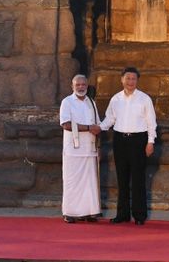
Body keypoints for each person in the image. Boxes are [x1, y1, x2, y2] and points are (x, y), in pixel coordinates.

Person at [99, 66, 157, 225]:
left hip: (139, 140)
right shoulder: (115, 99)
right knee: (122, 178)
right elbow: (109, 119)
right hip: (120, 140)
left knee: (138, 178)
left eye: (133, 79)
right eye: (128, 78)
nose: (130, 81)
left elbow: (151, 122)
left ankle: (139, 215)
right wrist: (98, 128)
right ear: (122, 80)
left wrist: (150, 142)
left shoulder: (144, 99)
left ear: (137, 81)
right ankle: (122, 214)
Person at [59, 74, 102, 224]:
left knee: (89, 183)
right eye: (78, 85)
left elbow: (98, 125)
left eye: (83, 84)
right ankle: (69, 212)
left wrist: (99, 146)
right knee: (72, 181)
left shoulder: (91, 102)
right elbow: (66, 124)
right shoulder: (67, 102)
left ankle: (89, 212)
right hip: (73, 149)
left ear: (87, 86)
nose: (81, 87)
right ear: (72, 86)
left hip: (90, 148)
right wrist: (89, 128)